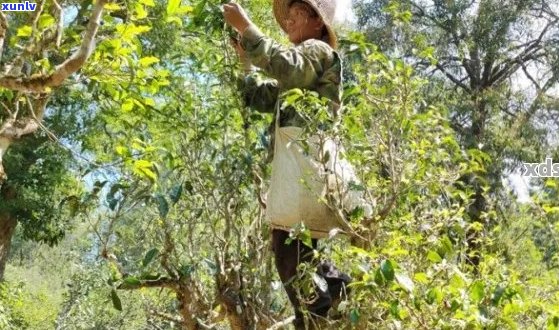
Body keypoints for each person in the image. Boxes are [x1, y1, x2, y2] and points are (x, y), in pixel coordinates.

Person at [223, 0, 351, 328]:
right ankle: (332, 298)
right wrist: (244, 62)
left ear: (317, 23)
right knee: (295, 253)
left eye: (296, 15)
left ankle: (322, 311)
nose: (290, 21)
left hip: (306, 165)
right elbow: (254, 96)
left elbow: (286, 66)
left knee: (289, 252)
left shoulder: (317, 51)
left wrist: (245, 26)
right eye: (289, 15)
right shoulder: (300, 70)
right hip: (299, 166)